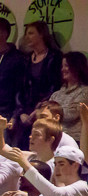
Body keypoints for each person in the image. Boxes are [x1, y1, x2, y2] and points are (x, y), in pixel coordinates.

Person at [11, 21, 63, 149]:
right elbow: (19, 89)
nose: (27, 37)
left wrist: (38, 110)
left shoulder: (54, 57)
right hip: (25, 115)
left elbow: (54, 88)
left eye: (31, 33)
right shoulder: (26, 59)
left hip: (43, 112)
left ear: (42, 35)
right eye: (26, 34)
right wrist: (21, 112)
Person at [50, 52, 88, 141]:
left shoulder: (85, 91)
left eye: (66, 65)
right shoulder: (56, 94)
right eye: (62, 66)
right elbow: (46, 115)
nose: (63, 69)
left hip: (75, 140)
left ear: (77, 66)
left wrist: (52, 110)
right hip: (54, 139)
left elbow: (71, 114)